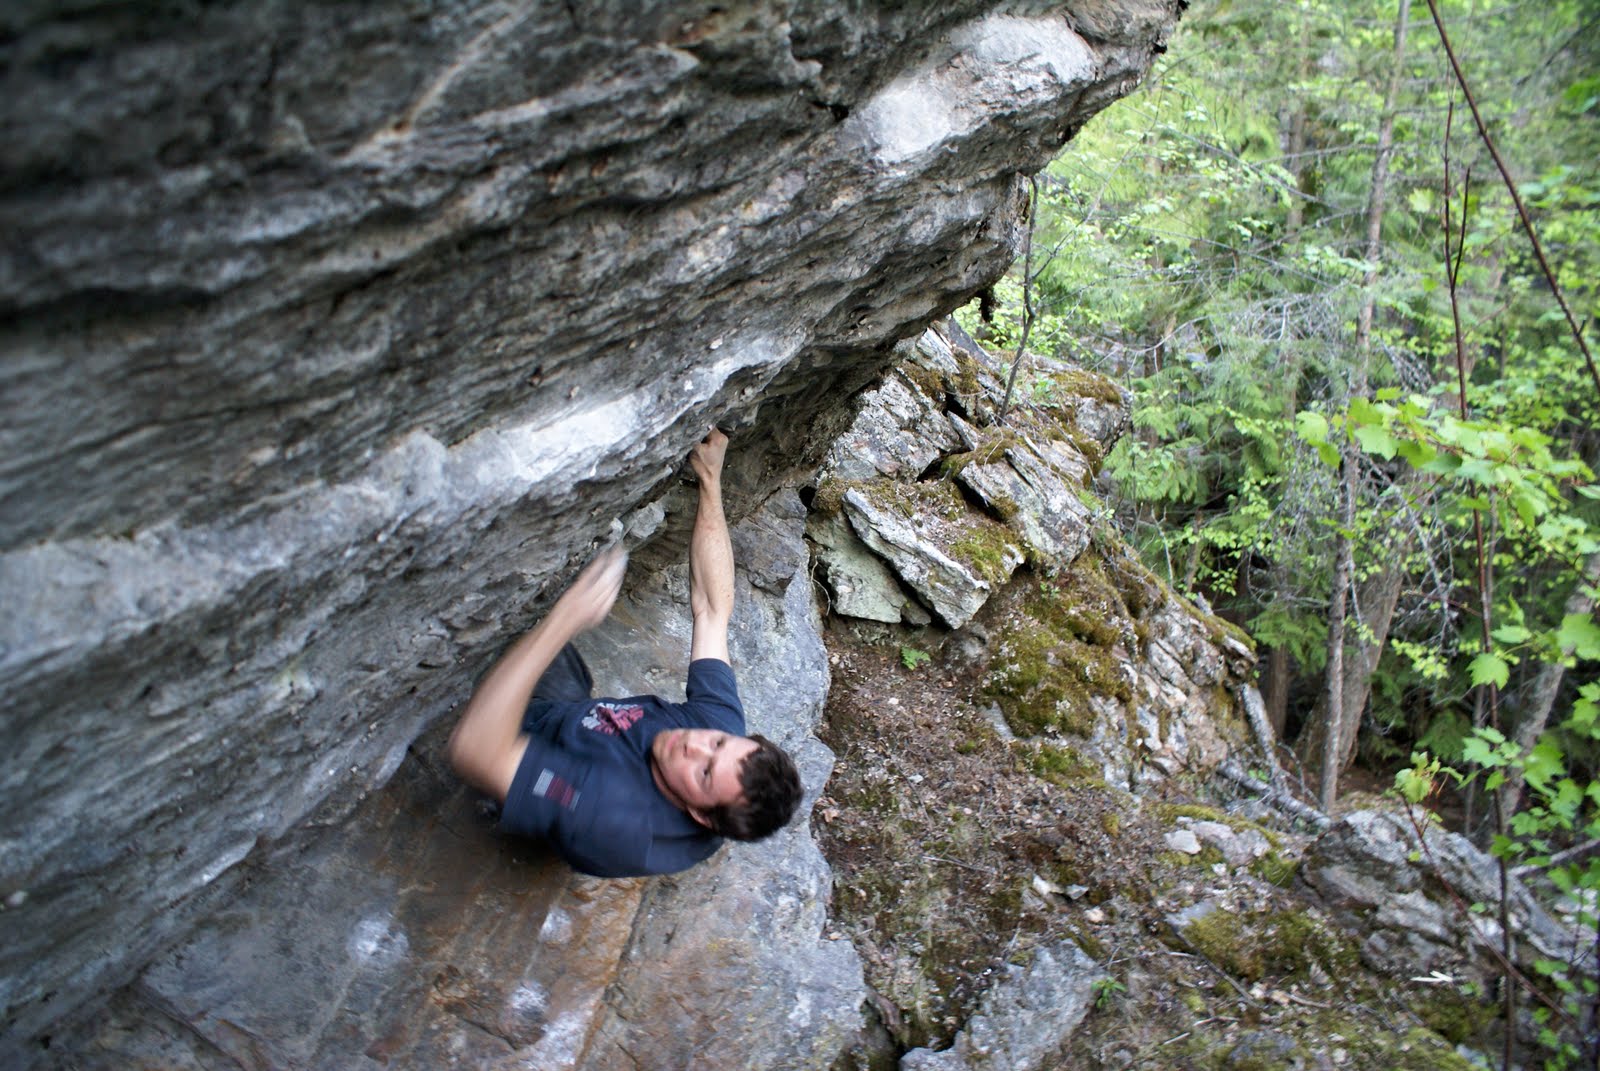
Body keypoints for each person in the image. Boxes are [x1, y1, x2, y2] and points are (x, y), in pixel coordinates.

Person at [447, 428, 803, 877]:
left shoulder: (613, 818)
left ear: (699, 815)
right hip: (572, 717)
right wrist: (711, 481)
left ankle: (511, 805)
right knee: (533, 636)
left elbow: (476, 750)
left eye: (704, 773)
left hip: (525, 753)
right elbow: (713, 610)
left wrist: (563, 622)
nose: (694, 744)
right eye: (717, 743)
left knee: (511, 639)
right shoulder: (718, 733)